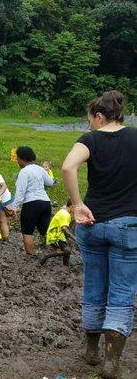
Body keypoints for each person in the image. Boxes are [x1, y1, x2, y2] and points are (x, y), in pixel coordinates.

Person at [61, 90, 137, 379]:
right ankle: (111, 362)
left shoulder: (90, 140)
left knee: (94, 285)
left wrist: (78, 204)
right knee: (122, 291)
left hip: (92, 223)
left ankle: (91, 352)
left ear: (100, 116)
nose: (88, 124)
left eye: (89, 119)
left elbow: (68, 167)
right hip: (128, 225)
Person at [12, 146, 54, 255]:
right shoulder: (40, 169)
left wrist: (14, 207)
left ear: (22, 159)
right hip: (46, 202)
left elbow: (20, 193)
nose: (17, 161)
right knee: (45, 230)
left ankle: (31, 256)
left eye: (17, 159)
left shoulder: (24, 172)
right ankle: (60, 248)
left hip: (31, 204)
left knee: (27, 232)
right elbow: (50, 182)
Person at [39, 199, 75, 267]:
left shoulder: (63, 211)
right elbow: (64, 228)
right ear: (72, 206)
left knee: (66, 252)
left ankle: (65, 267)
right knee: (67, 251)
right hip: (55, 236)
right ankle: (46, 256)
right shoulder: (65, 214)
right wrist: (74, 238)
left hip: (58, 235)